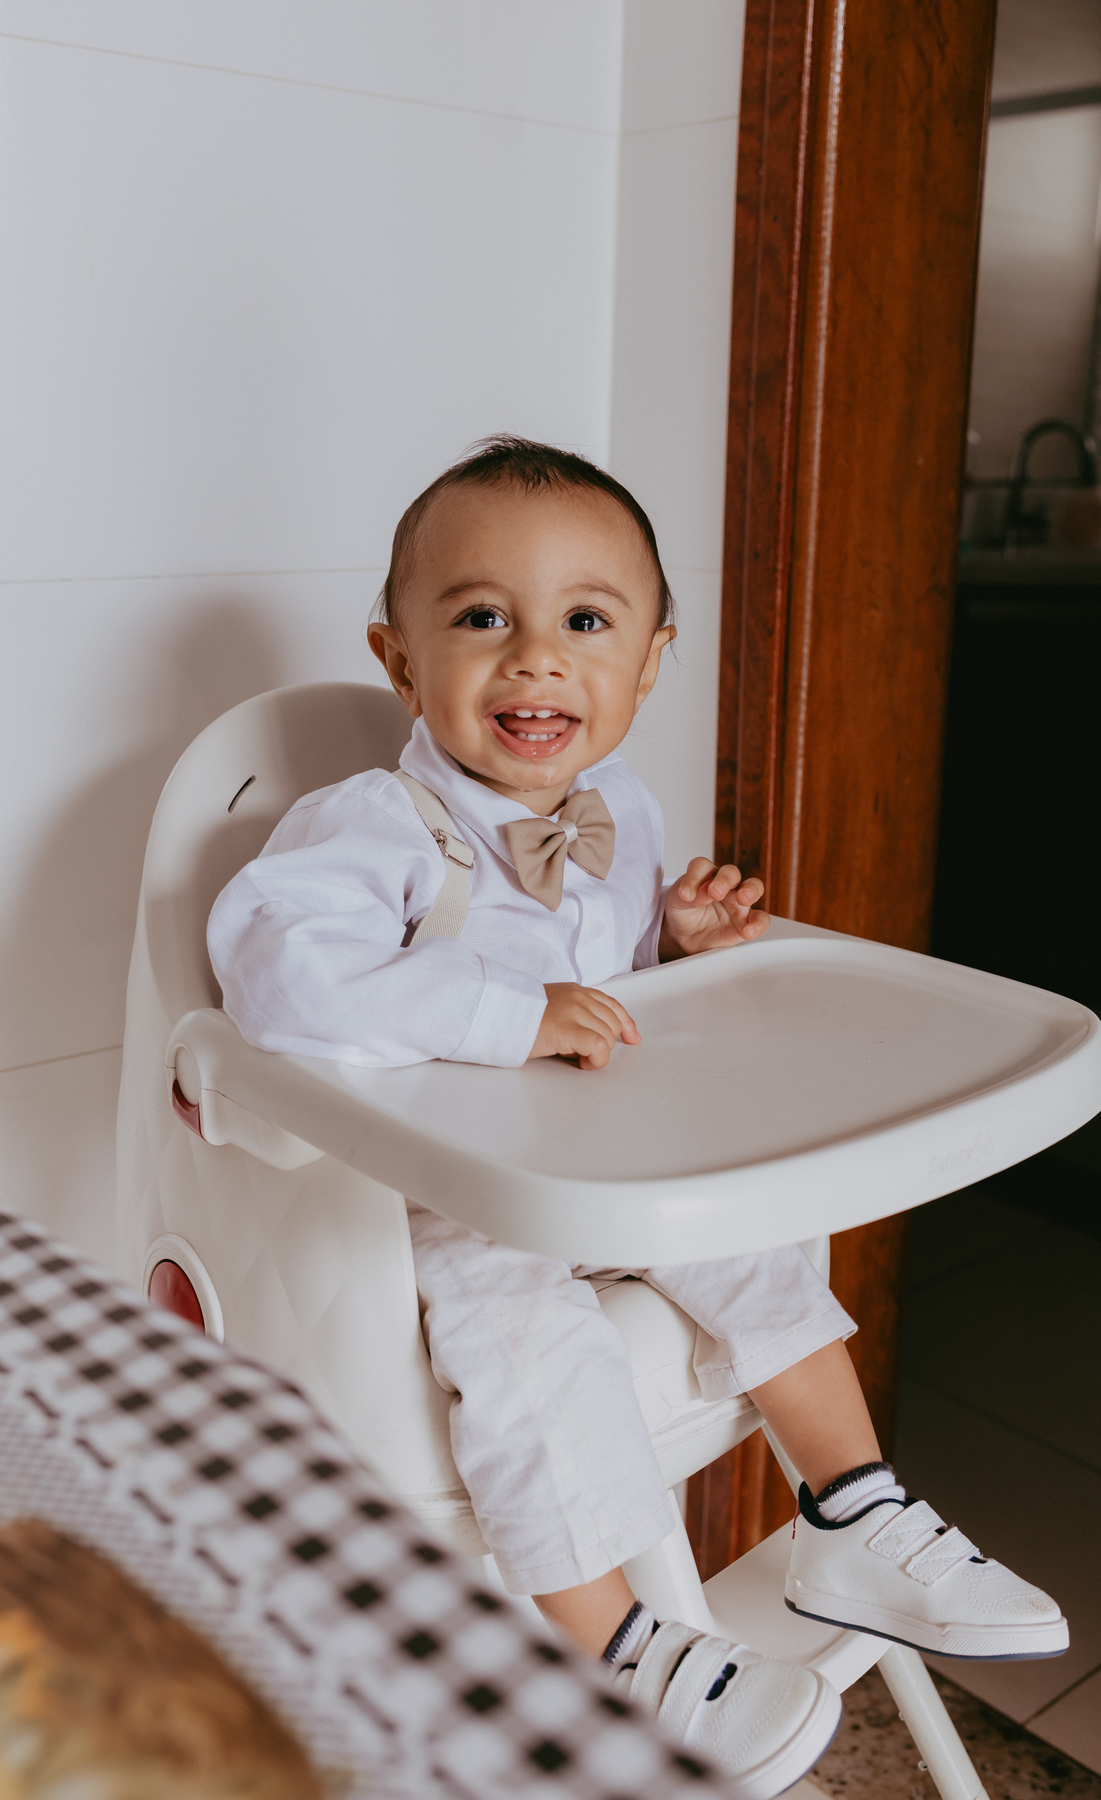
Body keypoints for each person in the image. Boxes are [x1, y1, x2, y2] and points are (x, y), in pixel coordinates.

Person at [209, 439, 1066, 1798]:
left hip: (613, 1173)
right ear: (399, 660)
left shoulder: (627, 814)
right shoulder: (369, 824)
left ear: (651, 662)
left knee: (762, 1234)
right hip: (460, 1199)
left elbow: (626, 1010)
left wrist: (679, 947)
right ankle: (612, 1648)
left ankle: (853, 1509)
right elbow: (274, 975)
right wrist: (511, 1014)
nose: (537, 659)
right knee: (527, 1340)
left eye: (586, 622)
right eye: (481, 617)